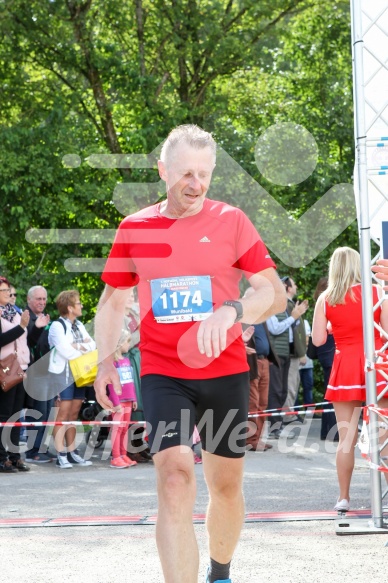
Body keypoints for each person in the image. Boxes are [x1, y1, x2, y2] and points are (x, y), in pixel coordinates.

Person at [94, 124, 286, 583]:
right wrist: (104, 362)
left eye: (204, 174)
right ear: (163, 172)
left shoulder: (232, 220)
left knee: (225, 486)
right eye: (185, 174)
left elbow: (273, 294)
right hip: (164, 375)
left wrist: (234, 310)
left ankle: (219, 572)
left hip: (225, 374)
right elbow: (112, 302)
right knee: (175, 480)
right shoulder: (135, 227)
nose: (195, 184)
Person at [312, 247, 388, 511]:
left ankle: (343, 497)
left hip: (344, 368)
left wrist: (336, 327)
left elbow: (318, 340)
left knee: (346, 439)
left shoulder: (326, 298)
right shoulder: (378, 293)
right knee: (384, 437)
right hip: (377, 365)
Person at [48, 290, 95, 469]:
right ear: (69, 307)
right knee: (63, 414)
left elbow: (93, 345)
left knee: (74, 413)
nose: (81, 306)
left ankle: (72, 451)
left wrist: (77, 346)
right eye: (78, 303)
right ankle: (61, 454)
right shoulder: (57, 326)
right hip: (62, 375)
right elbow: (66, 351)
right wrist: (80, 347)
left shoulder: (79, 324)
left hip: (80, 374)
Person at [266, 290, 308, 438]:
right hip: (276, 354)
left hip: (286, 353)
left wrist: (296, 317)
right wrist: (293, 317)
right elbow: (275, 329)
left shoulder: (282, 309)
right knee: (276, 391)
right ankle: (273, 428)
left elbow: (290, 329)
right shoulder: (270, 307)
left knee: (283, 391)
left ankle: (277, 426)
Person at [0, 276, 31, 472]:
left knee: (16, 415)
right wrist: (21, 328)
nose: (8, 294)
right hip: (4, 368)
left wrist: (32, 327)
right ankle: (2, 458)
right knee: (4, 414)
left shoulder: (15, 313)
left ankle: (14, 455)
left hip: (21, 368)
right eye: (4, 291)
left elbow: (26, 341)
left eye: (8, 290)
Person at [243, 288, 279, 452]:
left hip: (264, 362)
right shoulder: (241, 316)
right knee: (253, 403)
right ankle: (251, 440)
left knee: (263, 404)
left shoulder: (260, 316)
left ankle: (258, 438)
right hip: (251, 362)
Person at [107, 328, 138, 468]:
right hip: (119, 402)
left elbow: (131, 382)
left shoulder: (126, 360)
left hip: (129, 400)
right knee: (117, 429)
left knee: (125, 428)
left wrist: (134, 398)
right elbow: (111, 386)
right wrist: (115, 402)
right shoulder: (112, 363)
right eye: (127, 342)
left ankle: (123, 454)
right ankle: (115, 457)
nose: (128, 345)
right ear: (119, 343)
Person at [312, 277, 338, 441]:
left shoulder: (322, 303)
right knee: (333, 395)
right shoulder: (327, 304)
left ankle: (326, 431)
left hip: (325, 354)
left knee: (329, 395)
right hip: (330, 354)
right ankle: (332, 432)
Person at [296, 319, 314, 407]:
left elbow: (308, 339)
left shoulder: (305, 322)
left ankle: (309, 411)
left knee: (308, 386)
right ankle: (295, 413)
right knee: (295, 388)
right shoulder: (292, 321)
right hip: (296, 359)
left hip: (308, 360)